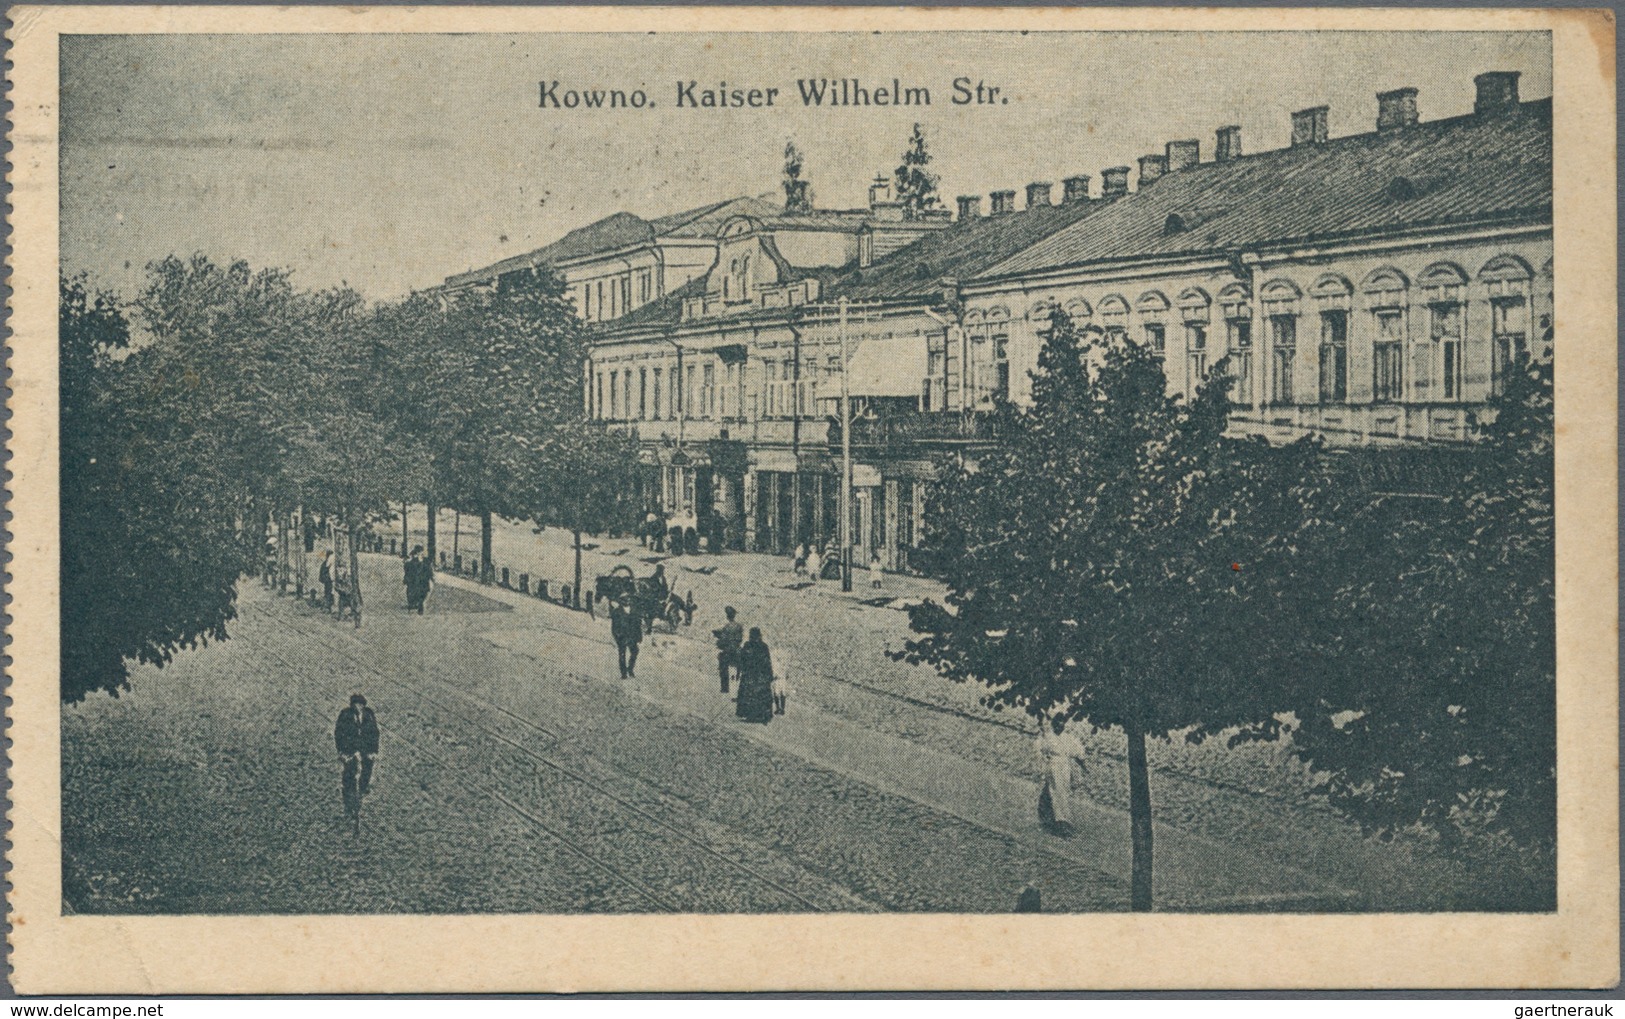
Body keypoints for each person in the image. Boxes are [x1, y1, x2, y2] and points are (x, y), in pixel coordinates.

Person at [1037, 713, 1089, 838]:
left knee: (1060, 792)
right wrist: (1044, 766)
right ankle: (1061, 824)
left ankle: (1053, 820)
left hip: (1064, 767)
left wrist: (1084, 767)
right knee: (1057, 793)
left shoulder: (1068, 739)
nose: (1060, 727)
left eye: (1062, 724)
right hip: (1053, 766)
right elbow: (1042, 752)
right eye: (1058, 724)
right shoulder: (1048, 737)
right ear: (1054, 725)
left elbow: (1078, 754)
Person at [334, 694, 380, 818]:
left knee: (366, 772)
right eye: (356, 705)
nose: (358, 707)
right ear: (352, 705)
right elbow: (339, 734)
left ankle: (361, 793)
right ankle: (348, 805)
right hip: (350, 749)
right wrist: (342, 753)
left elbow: (374, 733)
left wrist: (373, 752)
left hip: (365, 749)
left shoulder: (369, 715)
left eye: (361, 705)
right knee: (349, 775)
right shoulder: (345, 715)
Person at [735, 627, 775, 724]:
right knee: (759, 695)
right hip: (757, 675)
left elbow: (743, 660)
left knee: (752, 694)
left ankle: (753, 716)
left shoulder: (750, 646)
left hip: (753, 674)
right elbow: (767, 662)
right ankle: (762, 715)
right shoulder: (761, 646)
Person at [713, 605, 743, 694]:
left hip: (728, 650)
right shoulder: (739, 626)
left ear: (727, 616)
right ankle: (738, 685)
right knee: (740, 668)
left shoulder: (726, 627)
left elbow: (723, 640)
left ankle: (725, 687)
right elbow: (740, 639)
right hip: (737, 649)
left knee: (723, 667)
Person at [610, 596, 642, 678]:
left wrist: (639, 636)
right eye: (625, 600)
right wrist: (618, 637)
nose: (628, 601)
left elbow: (638, 625)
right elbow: (614, 627)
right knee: (622, 655)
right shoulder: (617, 612)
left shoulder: (634, 611)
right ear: (621, 601)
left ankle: (630, 669)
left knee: (635, 652)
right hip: (622, 637)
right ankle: (623, 673)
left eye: (629, 599)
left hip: (632, 637)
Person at [403, 545, 433, 614]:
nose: (421, 554)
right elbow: (407, 570)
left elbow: (429, 570)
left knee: (419, 592)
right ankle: (418, 603)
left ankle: (418, 603)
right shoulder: (415, 561)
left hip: (420, 581)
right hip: (419, 581)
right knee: (419, 592)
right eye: (420, 552)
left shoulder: (424, 561)